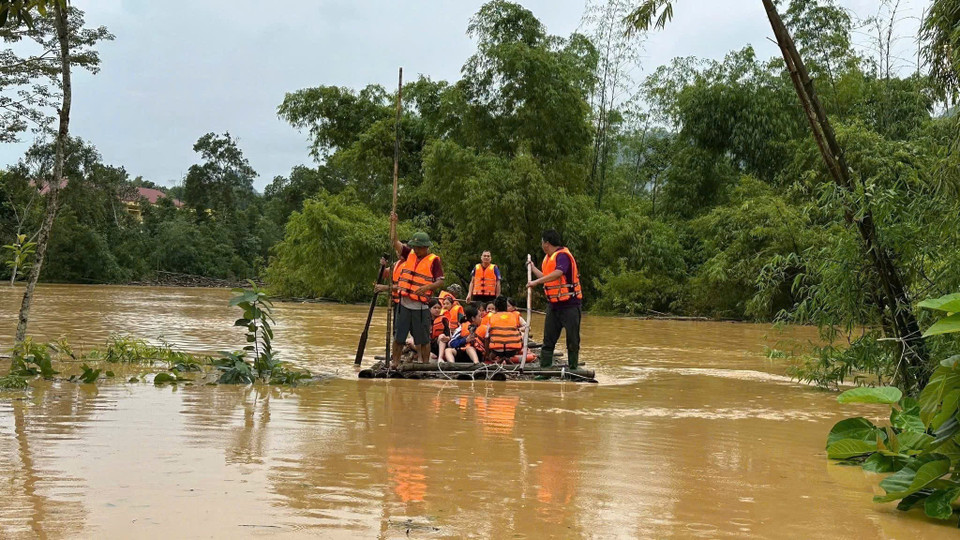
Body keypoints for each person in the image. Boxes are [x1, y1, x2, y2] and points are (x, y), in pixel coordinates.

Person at [390, 212, 444, 367]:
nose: (415, 250)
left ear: (425, 247)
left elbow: (440, 281)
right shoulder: (409, 254)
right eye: (414, 247)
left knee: (423, 339)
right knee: (399, 337)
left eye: (418, 247)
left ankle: (425, 365)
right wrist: (394, 223)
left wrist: (427, 287)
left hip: (421, 307)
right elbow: (395, 242)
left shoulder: (434, 260)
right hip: (404, 304)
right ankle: (395, 363)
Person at [527, 229, 581, 373]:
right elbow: (547, 276)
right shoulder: (548, 258)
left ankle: (574, 370)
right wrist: (532, 268)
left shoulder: (562, 256)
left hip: (569, 304)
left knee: (572, 340)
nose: (541, 245)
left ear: (546, 243)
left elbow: (558, 273)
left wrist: (536, 282)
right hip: (554, 305)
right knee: (548, 339)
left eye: (542, 242)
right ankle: (545, 370)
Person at [486, 296, 524, 362]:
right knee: (522, 334)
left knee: (489, 335)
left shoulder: (491, 317)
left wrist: (487, 354)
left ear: (496, 308)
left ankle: (494, 357)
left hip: (497, 351)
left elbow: (486, 337)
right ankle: (513, 356)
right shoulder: (514, 316)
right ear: (506, 307)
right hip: (512, 351)